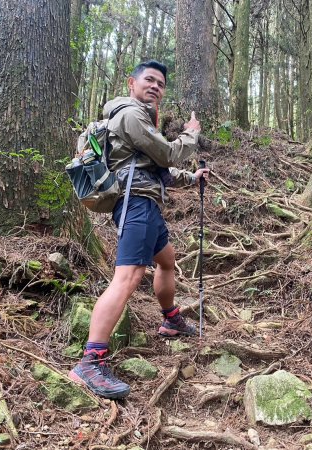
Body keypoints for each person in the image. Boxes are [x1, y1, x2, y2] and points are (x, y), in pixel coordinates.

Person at [69, 60, 208, 399]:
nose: (155, 87)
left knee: (166, 261)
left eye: (161, 83)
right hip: (137, 206)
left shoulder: (136, 119)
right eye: (149, 80)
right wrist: (192, 133)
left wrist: (193, 178)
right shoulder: (131, 115)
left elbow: (153, 167)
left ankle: (171, 319)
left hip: (146, 205)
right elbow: (168, 155)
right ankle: (91, 360)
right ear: (131, 83)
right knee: (128, 278)